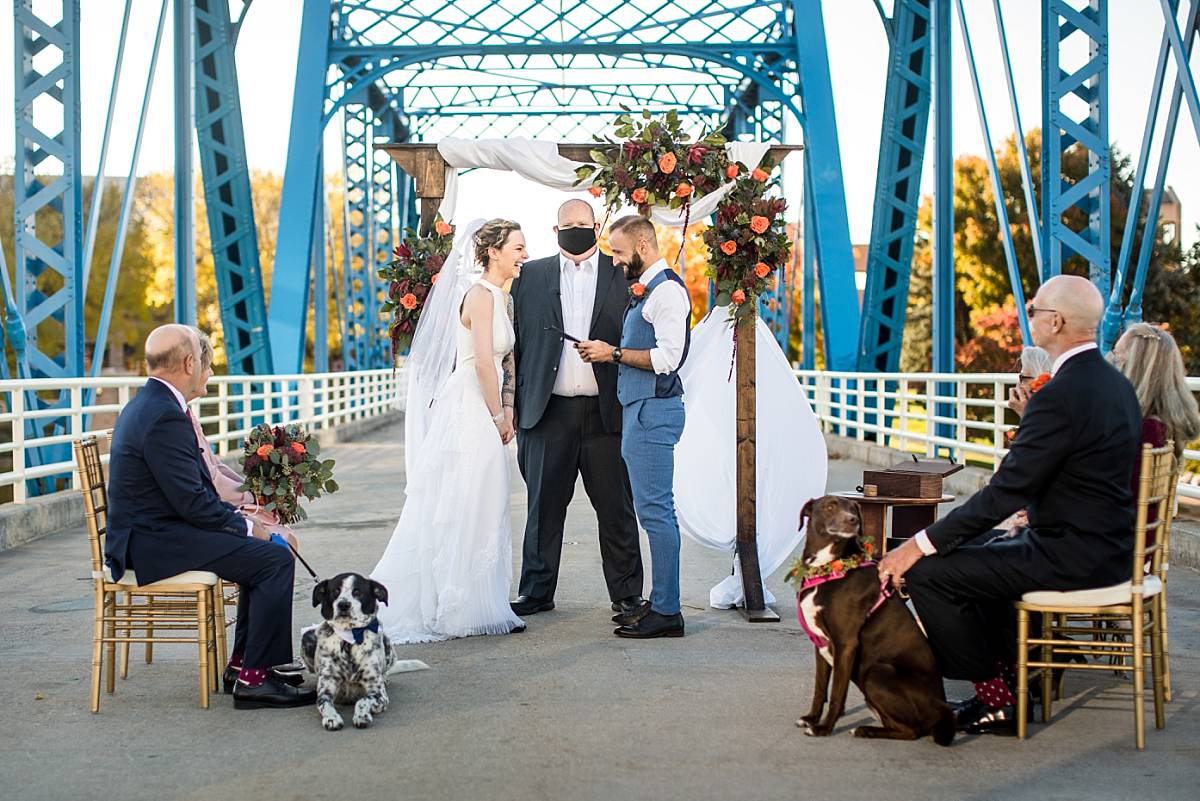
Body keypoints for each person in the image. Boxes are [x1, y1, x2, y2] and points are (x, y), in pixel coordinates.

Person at [877, 275, 1142, 735]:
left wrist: (916, 546)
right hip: (1109, 551)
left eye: (1036, 310)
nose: (1030, 317)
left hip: (1069, 556)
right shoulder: (1115, 386)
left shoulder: (1058, 396)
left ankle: (996, 699)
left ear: (1055, 322)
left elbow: (1005, 492)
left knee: (930, 573)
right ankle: (1022, 682)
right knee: (977, 549)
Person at [106, 324, 315, 709]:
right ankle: (256, 680)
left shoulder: (151, 404)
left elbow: (193, 493)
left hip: (158, 530)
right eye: (202, 360)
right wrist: (251, 527)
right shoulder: (164, 416)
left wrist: (247, 524)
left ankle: (244, 666)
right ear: (189, 362)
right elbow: (194, 503)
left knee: (261, 557)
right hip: (156, 541)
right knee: (273, 559)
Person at [372, 219, 529, 642]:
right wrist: (498, 417)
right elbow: (481, 363)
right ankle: (458, 606)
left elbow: (505, 358)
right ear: (493, 252)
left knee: (488, 496)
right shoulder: (478, 295)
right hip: (470, 404)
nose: (524, 255)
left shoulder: (504, 298)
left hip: (492, 400)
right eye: (517, 247)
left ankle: (482, 601)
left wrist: (509, 407)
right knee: (466, 496)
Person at [507, 199, 645, 622]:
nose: (576, 230)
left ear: (597, 226)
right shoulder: (528, 276)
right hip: (547, 411)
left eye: (583, 224)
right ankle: (535, 591)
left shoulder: (623, 275)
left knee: (616, 507)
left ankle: (626, 594)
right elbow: (512, 342)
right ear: (555, 230)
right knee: (542, 507)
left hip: (607, 412)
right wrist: (510, 403)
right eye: (569, 225)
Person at [577, 215, 692, 639]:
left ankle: (667, 612)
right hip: (640, 410)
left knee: (657, 513)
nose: (615, 260)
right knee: (652, 512)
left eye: (619, 252)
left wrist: (615, 353)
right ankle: (661, 604)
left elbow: (668, 359)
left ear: (642, 247)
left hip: (652, 412)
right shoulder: (648, 290)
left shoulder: (666, 293)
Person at [188, 329, 303, 689]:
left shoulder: (184, 414)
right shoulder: (173, 417)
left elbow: (216, 468)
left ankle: (245, 660)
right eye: (207, 368)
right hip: (186, 531)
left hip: (194, 520)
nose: (210, 375)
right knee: (274, 551)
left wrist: (256, 493)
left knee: (277, 542)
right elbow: (209, 487)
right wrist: (254, 503)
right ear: (193, 366)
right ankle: (258, 670)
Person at [1109, 322, 1200, 535]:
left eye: (1117, 355)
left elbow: (1110, 500)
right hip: (1132, 542)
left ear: (1135, 369)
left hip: (1112, 548)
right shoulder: (1158, 426)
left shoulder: (1145, 432)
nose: (1110, 362)